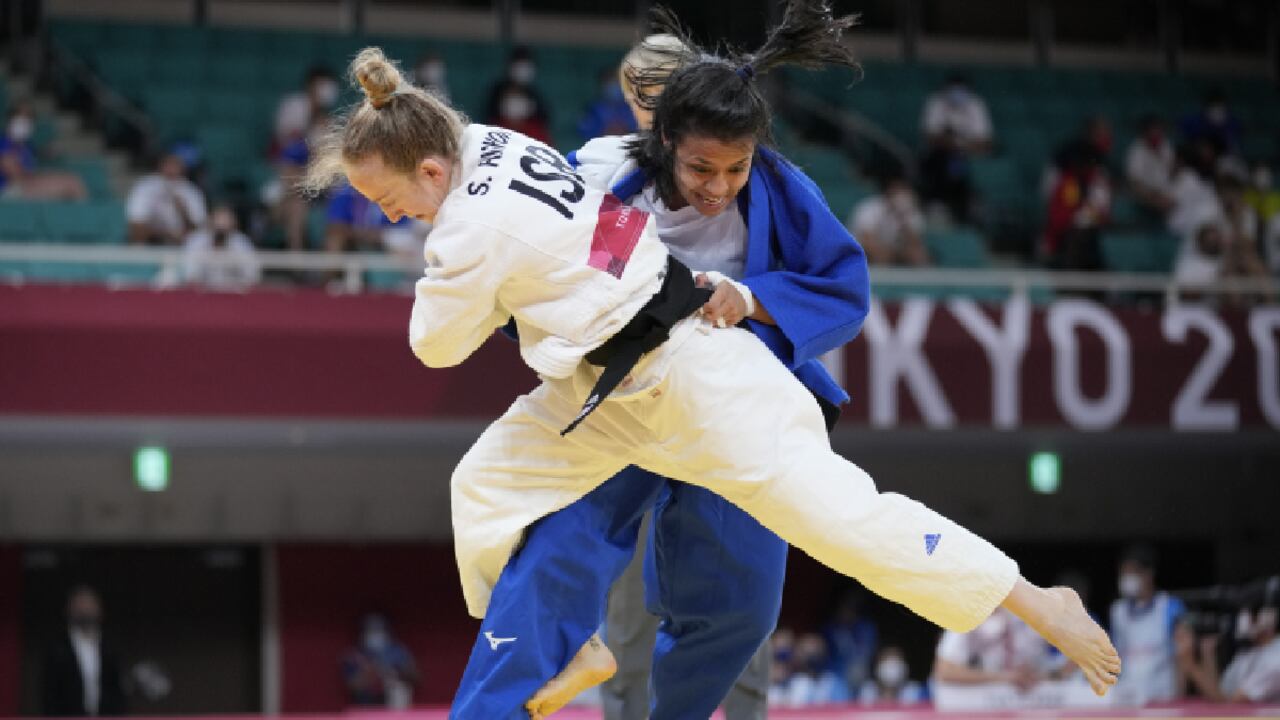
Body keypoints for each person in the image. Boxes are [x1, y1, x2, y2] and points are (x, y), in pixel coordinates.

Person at [302, 34, 1120, 720]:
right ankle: (577, 649)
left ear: (432, 171)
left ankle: (1035, 599)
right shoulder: (507, 146)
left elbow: (434, 346)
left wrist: (492, 281)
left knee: (840, 525)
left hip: (706, 381)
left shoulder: (466, 231)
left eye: (384, 198)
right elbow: (595, 246)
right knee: (481, 483)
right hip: (609, 385)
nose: (384, 214)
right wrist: (557, 293)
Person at [1109, 544, 1187, 706]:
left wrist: (1179, 701)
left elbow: (1183, 657)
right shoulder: (1117, 611)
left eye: (1132, 572)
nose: (1127, 578)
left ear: (1148, 574)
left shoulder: (1169, 607)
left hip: (1163, 698)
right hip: (1128, 700)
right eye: (1124, 573)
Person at [40, 586, 128, 716]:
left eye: (89, 604)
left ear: (99, 608)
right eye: (79, 604)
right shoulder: (57, 649)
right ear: (69, 609)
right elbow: (49, 693)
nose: (84, 609)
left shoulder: (111, 648)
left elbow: (118, 689)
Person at [919, 74, 992, 223]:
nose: (957, 94)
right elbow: (931, 137)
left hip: (968, 156)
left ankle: (967, 211)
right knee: (941, 162)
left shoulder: (976, 105)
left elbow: (984, 141)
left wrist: (956, 143)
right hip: (940, 157)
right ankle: (938, 204)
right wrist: (958, 143)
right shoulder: (936, 103)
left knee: (964, 167)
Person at [1043, 117, 1113, 271]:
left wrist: (1093, 216)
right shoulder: (1068, 181)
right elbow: (1064, 212)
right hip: (1064, 231)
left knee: (1091, 237)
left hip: (1090, 229)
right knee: (1078, 236)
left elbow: (1101, 210)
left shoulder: (1097, 178)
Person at [1180, 597, 1280, 703]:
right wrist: (1207, 655)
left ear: (1269, 617)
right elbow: (1221, 693)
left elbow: (1232, 704)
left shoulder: (1276, 660)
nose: (1242, 619)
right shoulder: (1247, 653)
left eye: (1249, 613)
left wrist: (1191, 666)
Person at [0, 102, 88, 201]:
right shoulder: (3, 142)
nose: (24, 121)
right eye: (19, 116)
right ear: (10, 119)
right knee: (70, 184)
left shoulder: (27, 147)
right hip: (6, 191)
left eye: (28, 118)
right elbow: (15, 176)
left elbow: (30, 170)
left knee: (73, 181)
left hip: (25, 187)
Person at [848, 173, 929, 266]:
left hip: (894, 251)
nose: (900, 194)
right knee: (878, 253)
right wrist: (886, 252)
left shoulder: (909, 210)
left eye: (903, 190)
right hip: (864, 250)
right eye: (896, 190)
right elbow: (867, 240)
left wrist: (903, 218)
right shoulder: (870, 207)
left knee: (918, 254)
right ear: (888, 190)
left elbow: (916, 243)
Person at [126, 152, 207, 245]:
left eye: (175, 165)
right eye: (168, 165)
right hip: (151, 241)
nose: (171, 169)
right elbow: (135, 223)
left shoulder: (191, 191)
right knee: (137, 238)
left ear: (183, 168)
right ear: (160, 166)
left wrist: (183, 211)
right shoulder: (145, 187)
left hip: (182, 244)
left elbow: (200, 228)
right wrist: (167, 234)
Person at [341, 613, 420, 708]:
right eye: (370, 630)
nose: (375, 634)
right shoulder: (353, 655)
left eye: (378, 630)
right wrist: (372, 672)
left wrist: (396, 671)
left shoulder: (398, 650)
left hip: (393, 704)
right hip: (366, 705)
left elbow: (415, 677)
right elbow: (352, 686)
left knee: (399, 689)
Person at [179, 203, 260, 290]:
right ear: (210, 221)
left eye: (226, 220)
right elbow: (189, 273)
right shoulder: (196, 241)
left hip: (234, 292)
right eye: (218, 219)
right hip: (203, 292)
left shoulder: (241, 242)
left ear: (233, 223)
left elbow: (252, 274)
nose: (221, 224)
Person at [274, 66, 339, 152]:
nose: (326, 90)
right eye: (322, 85)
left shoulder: (330, 117)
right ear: (310, 85)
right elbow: (284, 140)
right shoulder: (293, 104)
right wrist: (313, 114)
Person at [1125, 115, 1176, 218]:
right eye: (1153, 130)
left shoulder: (1166, 145)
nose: (1156, 133)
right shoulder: (1136, 151)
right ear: (1145, 132)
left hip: (1167, 192)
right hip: (1146, 194)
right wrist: (1155, 196)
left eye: (1159, 130)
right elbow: (1134, 182)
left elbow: (1173, 171)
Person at [577, 68, 638, 142]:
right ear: (602, 85)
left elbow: (639, 130)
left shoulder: (630, 107)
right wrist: (605, 132)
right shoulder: (593, 109)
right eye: (609, 82)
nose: (613, 86)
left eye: (616, 82)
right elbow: (585, 131)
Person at [858, 645, 927, 705]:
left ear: (905, 666)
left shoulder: (914, 690)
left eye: (897, 660)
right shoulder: (868, 690)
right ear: (877, 665)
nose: (892, 666)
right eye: (886, 660)